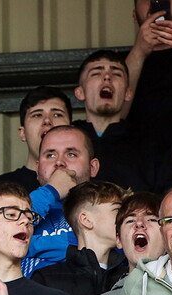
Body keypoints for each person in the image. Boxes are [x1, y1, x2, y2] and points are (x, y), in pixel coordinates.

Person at [126, 0, 172, 192]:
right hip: (142, 178)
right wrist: (139, 51)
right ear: (134, 15)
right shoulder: (121, 64)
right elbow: (113, 107)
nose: (155, 2)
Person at [31, 181, 129, 295]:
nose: (125, 218)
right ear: (86, 220)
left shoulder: (131, 278)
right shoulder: (46, 280)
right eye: (117, 210)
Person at [77, 191, 165, 295]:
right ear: (118, 240)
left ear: (168, 234)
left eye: (151, 219)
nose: (139, 224)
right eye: (130, 220)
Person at [23, 124, 101, 276]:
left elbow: (96, 247)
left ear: (93, 167)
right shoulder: (22, 203)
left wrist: (24, 245)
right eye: (50, 155)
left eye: (71, 154)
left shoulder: (108, 211)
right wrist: (51, 191)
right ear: (37, 169)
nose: (59, 163)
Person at [72, 50, 154, 191]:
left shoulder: (150, 144)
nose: (107, 78)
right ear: (80, 92)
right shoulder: (67, 140)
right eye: (96, 73)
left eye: (116, 74)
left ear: (128, 93)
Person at [0, 87, 73, 195]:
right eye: (37, 115)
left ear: (73, 131)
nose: (47, 121)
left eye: (57, 114)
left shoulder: (88, 187)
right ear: (22, 133)